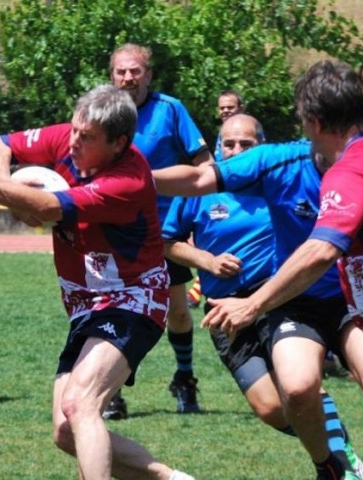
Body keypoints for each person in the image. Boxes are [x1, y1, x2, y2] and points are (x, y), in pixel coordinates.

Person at [0, 84, 195, 480]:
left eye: (86, 138)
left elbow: (45, 206)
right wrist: (12, 188)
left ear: (119, 142)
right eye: (74, 130)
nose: (73, 141)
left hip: (133, 300)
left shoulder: (127, 181)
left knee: (81, 404)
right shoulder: (71, 136)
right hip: (86, 304)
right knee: (64, 430)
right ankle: (170, 478)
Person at [205, 59, 363, 480]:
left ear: (314, 122)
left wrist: (252, 305)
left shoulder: (349, 169)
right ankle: (332, 465)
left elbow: (321, 250)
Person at [152, 136, 363, 477]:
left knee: (299, 384)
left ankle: (338, 462)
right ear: (218, 148)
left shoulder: (275, 182)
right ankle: (332, 439)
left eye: (246, 143)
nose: (237, 151)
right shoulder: (201, 190)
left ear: (261, 146)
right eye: (229, 143)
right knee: (269, 407)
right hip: (224, 307)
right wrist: (207, 261)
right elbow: (168, 241)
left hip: (278, 298)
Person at [107, 43, 213, 416]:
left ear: (148, 75)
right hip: (113, 231)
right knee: (117, 312)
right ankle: (112, 390)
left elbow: (205, 164)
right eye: (121, 71)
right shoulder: (101, 110)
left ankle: (184, 380)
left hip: (164, 232)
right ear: (111, 75)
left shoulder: (171, 109)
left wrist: (200, 215)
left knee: (179, 312)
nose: (128, 78)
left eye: (135, 71)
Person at [185, 93, 248, 310]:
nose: (225, 111)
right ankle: (198, 290)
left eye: (230, 106)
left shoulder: (249, 132)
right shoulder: (219, 138)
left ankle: (196, 291)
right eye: (222, 108)